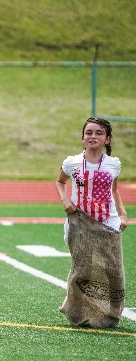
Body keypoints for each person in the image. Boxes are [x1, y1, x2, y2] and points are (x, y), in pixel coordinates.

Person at [55, 117, 127, 328]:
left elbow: (114, 191)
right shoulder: (72, 162)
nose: (93, 136)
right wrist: (65, 200)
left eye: (99, 133)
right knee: (83, 270)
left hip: (108, 223)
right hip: (80, 225)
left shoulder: (114, 164)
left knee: (113, 271)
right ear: (82, 138)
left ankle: (111, 314)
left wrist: (122, 215)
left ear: (107, 139)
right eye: (89, 132)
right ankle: (77, 312)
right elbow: (60, 182)